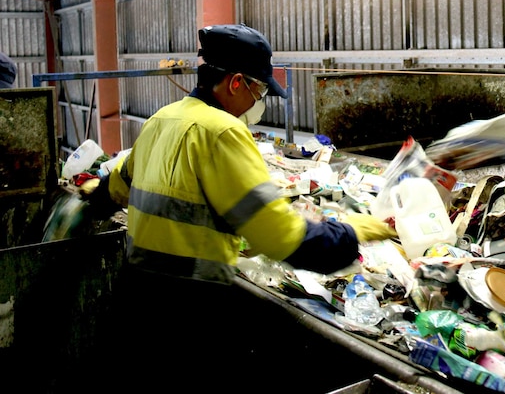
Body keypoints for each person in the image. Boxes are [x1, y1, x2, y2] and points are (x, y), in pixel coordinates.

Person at [82, 24, 395, 389]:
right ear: (235, 83)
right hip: (191, 311)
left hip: (137, 297)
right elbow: (282, 240)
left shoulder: (161, 119)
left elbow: (119, 182)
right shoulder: (224, 132)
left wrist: (94, 194)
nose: (259, 101)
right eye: (259, 90)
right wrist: (349, 233)